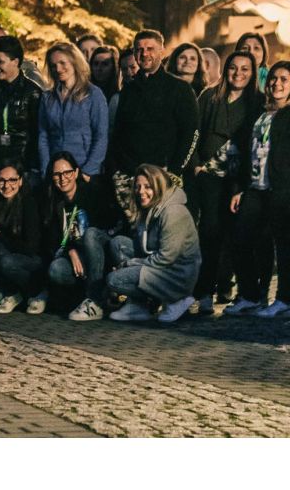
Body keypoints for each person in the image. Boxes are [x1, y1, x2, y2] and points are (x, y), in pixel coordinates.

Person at [192, 51, 261, 314]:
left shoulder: (258, 102)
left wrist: (244, 184)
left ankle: (248, 294)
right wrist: (196, 164)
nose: (238, 73)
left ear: (252, 73)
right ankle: (204, 293)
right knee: (210, 232)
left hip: (240, 178)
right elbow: (194, 131)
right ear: (225, 69)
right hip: (209, 174)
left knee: (239, 235)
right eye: (233, 67)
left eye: (245, 69)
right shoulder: (210, 96)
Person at [109, 29, 198, 224]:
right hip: (131, 177)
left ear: (162, 51)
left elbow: (191, 133)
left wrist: (174, 170)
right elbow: (119, 133)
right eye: (139, 49)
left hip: (164, 176)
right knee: (134, 231)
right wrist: (117, 169)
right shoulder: (128, 90)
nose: (144, 54)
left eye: (150, 48)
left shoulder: (180, 88)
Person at [227, 60, 290, 317]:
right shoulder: (261, 114)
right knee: (241, 237)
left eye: (284, 79)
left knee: (283, 246)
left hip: (282, 189)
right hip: (255, 187)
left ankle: (284, 299)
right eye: (273, 78)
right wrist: (240, 188)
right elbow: (248, 153)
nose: (277, 83)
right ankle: (250, 296)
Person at [106, 165, 201, 324]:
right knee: (118, 244)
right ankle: (139, 305)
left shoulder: (173, 212)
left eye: (147, 187)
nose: (141, 191)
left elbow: (166, 258)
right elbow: (142, 246)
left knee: (114, 280)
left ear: (159, 186)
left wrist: (131, 263)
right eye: (138, 187)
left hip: (176, 275)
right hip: (159, 265)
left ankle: (177, 300)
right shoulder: (149, 207)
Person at [44, 151, 118, 321]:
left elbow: (107, 223)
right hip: (77, 258)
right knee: (56, 269)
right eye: (57, 174)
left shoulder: (91, 193)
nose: (63, 178)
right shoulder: (54, 203)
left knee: (90, 234)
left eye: (67, 172)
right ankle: (83, 295)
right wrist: (70, 250)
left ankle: (95, 301)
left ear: (76, 172)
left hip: (99, 252)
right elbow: (52, 241)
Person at [0, 162, 43, 314]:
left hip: (31, 258)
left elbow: (31, 247)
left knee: (6, 262)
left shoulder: (28, 203)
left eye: (12, 180)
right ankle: (12, 292)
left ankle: (35, 291)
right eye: (1, 180)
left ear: (20, 181)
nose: (6, 186)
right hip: (4, 254)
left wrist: (2, 237)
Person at [37, 41, 108, 180]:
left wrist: (88, 171)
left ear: (74, 62)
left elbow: (101, 137)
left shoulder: (93, 94)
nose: (58, 69)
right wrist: (46, 169)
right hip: (56, 172)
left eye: (62, 63)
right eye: (53, 65)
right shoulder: (47, 97)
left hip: (84, 171)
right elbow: (43, 136)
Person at [0, 34, 42, 178]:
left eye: (0, 62)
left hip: (24, 164)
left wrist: (32, 169)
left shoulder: (33, 92)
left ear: (15, 62)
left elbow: (37, 134)